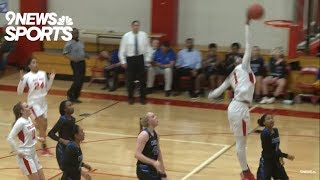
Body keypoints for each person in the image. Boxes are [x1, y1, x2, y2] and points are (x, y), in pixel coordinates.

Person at [208, 17, 256, 180]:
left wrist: (211, 95)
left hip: (234, 107)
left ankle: (245, 171)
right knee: (241, 143)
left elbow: (217, 92)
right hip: (240, 108)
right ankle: (246, 173)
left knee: (241, 142)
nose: (240, 58)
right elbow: (248, 46)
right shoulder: (243, 67)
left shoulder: (231, 76)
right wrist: (247, 25)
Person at [17, 57, 55, 156]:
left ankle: (33, 132)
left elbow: (46, 89)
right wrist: (21, 81)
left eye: (37, 62)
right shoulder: (26, 76)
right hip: (34, 103)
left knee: (44, 125)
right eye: (33, 62)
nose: (36, 64)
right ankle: (44, 148)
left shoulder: (42, 73)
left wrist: (51, 79)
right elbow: (19, 92)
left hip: (43, 102)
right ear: (29, 65)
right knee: (42, 124)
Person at [7, 102, 45, 180]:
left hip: (33, 152)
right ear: (22, 111)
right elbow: (10, 138)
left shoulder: (29, 119)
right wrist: (18, 152)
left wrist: (37, 138)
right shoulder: (20, 122)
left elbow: (29, 134)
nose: (29, 107)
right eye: (27, 106)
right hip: (25, 154)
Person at [119, 20, 151, 105]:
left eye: (137, 25)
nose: (136, 27)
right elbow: (122, 50)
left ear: (139, 26)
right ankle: (130, 98)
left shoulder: (144, 35)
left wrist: (148, 59)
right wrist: (123, 61)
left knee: (142, 81)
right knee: (130, 80)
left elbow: (148, 48)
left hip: (140, 58)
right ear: (132, 26)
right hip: (130, 59)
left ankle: (143, 98)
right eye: (134, 25)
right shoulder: (126, 36)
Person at [256, 114, 295, 180]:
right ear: (264, 123)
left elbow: (276, 147)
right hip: (267, 161)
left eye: (272, 118)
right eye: (268, 119)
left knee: (284, 178)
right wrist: (286, 155)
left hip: (275, 160)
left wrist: (280, 156)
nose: (271, 119)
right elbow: (269, 150)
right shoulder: (265, 134)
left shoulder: (276, 131)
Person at [135, 112, 167, 180]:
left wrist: (163, 172)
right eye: (153, 116)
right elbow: (137, 154)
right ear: (149, 122)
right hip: (143, 169)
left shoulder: (156, 134)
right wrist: (153, 162)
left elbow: (158, 152)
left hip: (154, 168)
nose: (156, 117)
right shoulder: (144, 135)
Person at [63, 28, 89, 103]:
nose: (76, 34)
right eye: (75, 33)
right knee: (77, 80)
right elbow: (65, 53)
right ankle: (70, 93)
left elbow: (82, 51)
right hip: (75, 63)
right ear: (71, 34)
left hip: (82, 62)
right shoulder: (69, 43)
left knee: (81, 80)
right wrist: (72, 58)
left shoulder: (81, 42)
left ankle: (76, 96)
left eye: (77, 33)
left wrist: (85, 55)